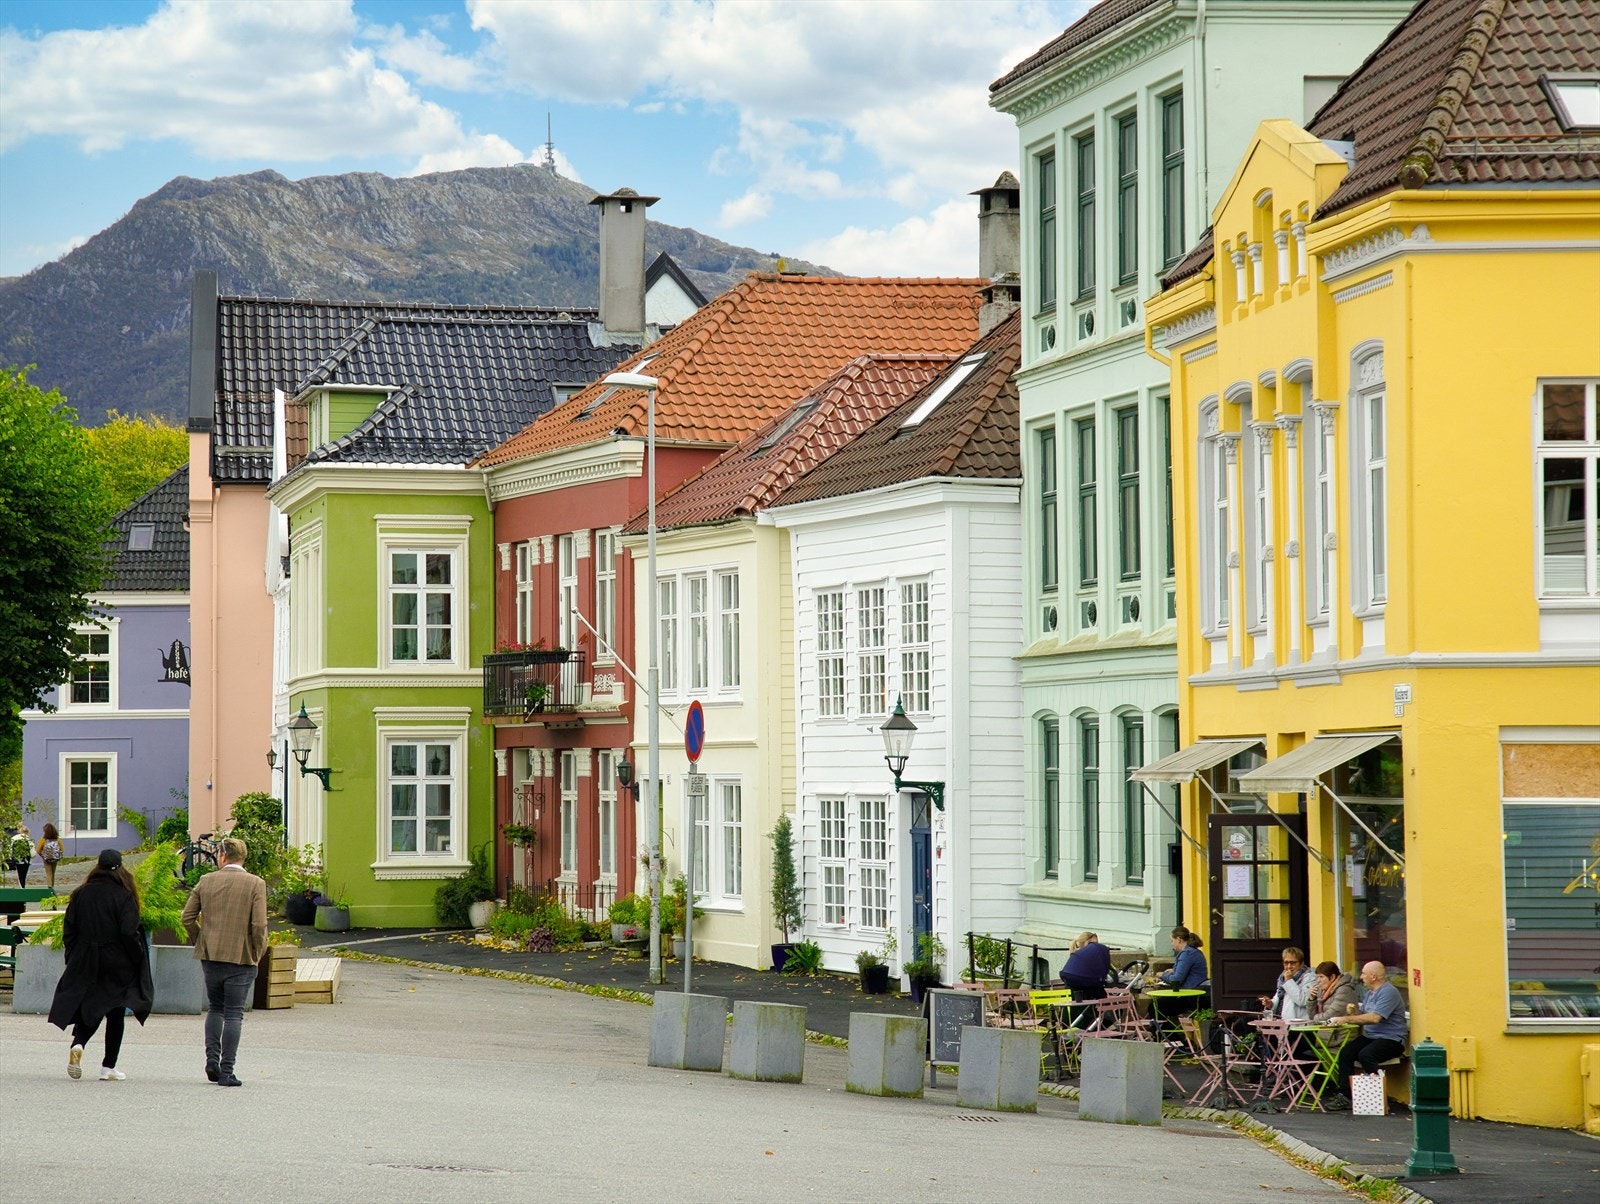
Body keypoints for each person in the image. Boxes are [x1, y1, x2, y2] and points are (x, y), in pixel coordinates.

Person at [47, 848, 153, 1081]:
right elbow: (128, 932)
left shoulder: (81, 894)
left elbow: (70, 930)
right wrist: (137, 957)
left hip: (85, 958)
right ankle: (108, 1066)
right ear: (120, 868)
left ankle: (79, 1044)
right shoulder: (124, 895)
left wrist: (73, 955)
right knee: (115, 1010)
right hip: (116, 960)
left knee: (92, 1005)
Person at [180, 835, 267, 1087]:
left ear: (222, 856)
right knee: (234, 1014)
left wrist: (201, 940)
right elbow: (259, 924)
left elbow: (187, 918)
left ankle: (211, 1061)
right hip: (241, 958)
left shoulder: (206, 881)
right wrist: (257, 952)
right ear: (243, 857)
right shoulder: (255, 884)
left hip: (211, 956)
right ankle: (227, 1071)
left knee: (215, 1009)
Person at [1322, 960, 1409, 1111]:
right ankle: (1345, 1096)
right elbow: (1365, 1016)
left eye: (1363, 973)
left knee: (1366, 1055)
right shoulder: (1370, 993)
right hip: (1371, 1036)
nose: (1361, 977)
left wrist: (1346, 1019)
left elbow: (1375, 1018)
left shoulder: (1388, 992)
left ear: (1373, 976)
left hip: (1392, 1038)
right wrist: (1353, 1013)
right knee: (1346, 1053)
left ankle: (1377, 1098)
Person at [1259, 946, 1313, 1021]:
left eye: (1293, 963)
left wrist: (1288, 981)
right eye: (1286, 963)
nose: (1289, 966)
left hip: (1300, 1024)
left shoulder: (1310, 977)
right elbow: (1281, 998)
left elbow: (1303, 1000)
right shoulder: (1282, 977)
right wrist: (1271, 1004)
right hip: (1282, 1022)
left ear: (1301, 964)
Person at [1059, 931, 1115, 1000]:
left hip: (1074, 985)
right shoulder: (1087, 958)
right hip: (1087, 988)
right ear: (1087, 943)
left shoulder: (1078, 957)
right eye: (1094, 943)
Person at [1308, 960, 1360, 1028]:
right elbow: (1312, 1016)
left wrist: (1314, 1020)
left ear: (1332, 977)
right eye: (1317, 977)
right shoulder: (1323, 991)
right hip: (1325, 1033)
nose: (1318, 981)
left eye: (1321, 977)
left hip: (1340, 1036)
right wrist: (1312, 999)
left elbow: (1330, 1015)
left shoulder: (1344, 990)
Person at [1159, 925, 1208, 989]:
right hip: (1196, 987)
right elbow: (1190, 971)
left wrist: (1162, 975)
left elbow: (1176, 980)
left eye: (1172, 941)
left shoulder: (1187, 954)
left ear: (1179, 940)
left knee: (1161, 999)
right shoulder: (1193, 951)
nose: (1172, 944)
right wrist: (1174, 971)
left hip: (1192, 991)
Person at [36, 823, 64, 891]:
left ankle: (49, 887)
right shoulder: (57, 839)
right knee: (53, 873)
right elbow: (62, 849)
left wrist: (43, 855)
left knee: (48, 873)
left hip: (46, 859)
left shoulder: (43, 840)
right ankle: (53, 887)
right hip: (55, 858)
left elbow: (38, 850)